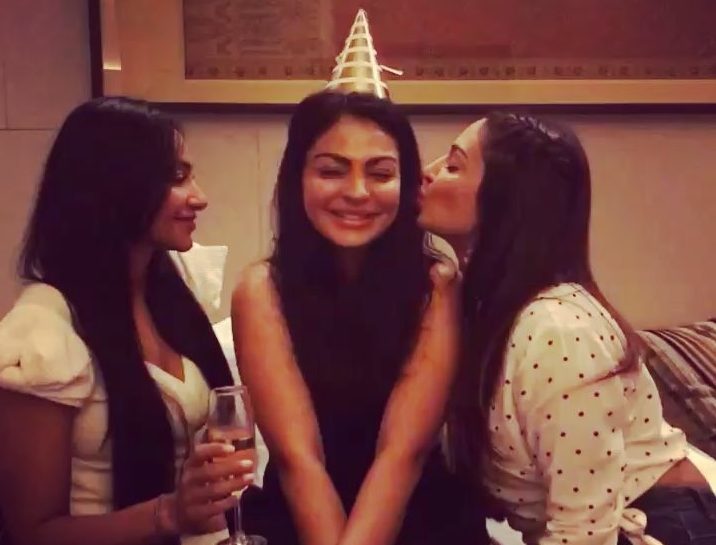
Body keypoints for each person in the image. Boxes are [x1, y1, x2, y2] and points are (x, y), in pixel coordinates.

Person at [418, 111, 716, 545]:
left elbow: (585, 531)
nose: (427, 173)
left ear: (507, 200)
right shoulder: (472, 305)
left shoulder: (557, 330)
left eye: (453, 165)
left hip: (664, 524)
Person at [233, 90, 488, 545]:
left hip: (423, 520)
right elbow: (298, 458)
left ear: (406, 185)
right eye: (332, 170)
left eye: (380, 173)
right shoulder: (261, 289)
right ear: (297, 178)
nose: (356, 192)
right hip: (300, 519)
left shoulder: (436, 285)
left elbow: (401, 454)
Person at [0, 97, 253, 545]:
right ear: (114, 185)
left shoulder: (167, 298)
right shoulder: (44, 329)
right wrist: (169, 513)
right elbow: (29, 533)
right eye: (177, 177)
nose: (200, 197)